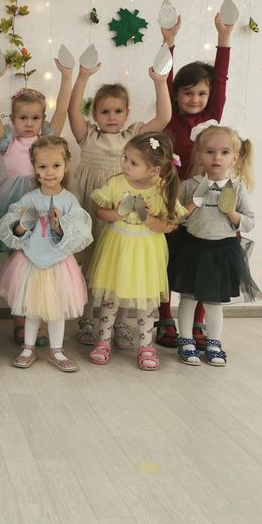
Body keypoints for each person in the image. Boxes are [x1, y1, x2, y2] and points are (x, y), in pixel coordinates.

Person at [68, 61, 171, 348]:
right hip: (94, 206)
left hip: (126, 214)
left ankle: (121, 323)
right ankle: (87, 320)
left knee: (122, 265)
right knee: (91, 263)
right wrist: (82, 77)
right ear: (95, 115)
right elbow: (72, 111)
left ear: (127, 113)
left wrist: (160, 82)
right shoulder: (88, 135)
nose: (111, 117)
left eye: (117, 111)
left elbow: (163, 117)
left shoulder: (134, 138)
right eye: (104, 111)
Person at [0, 58, 73, 346]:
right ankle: (21, 323)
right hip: (16, 209)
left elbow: (63, 111)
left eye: (35, 118)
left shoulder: (47, 141)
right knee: (20, 268)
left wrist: (67, 77)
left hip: (45, 205)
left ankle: (39, 324)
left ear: (43, 119)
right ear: (13, 119)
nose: (29, 123)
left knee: (45, 267)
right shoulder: (9, 142)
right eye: (22, 118)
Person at [155, 13, 235, 348]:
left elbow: (221, 81)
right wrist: (168, 41)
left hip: (206, 202)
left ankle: (199, 320)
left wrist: (224, 38)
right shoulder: (168, 119)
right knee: (166, 259)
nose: (195, 99)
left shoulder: (212, 118)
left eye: (201, 93)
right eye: (187, 93)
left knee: (205, 261)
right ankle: (164, 317)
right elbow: (165, 78)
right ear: (176, 96)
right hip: (172, 198)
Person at [86, 133, 185, 371]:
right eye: (125, 158)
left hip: (146, 251)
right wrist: (120, 212)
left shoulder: (162, 189)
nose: (125, 165)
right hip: (118, 246)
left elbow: (169, 226)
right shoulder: (117, 183)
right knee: (111, 295)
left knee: (146, 298)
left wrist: (146, 217)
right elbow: (100, 213)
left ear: (154, 170)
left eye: (133, 162)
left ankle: (146, 345)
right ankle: (103, 340)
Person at [0, 136, 92, 371]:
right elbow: (12, 230)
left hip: (58, 264)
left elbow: (79, 234)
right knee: (32, 309)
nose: (50, 172)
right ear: (35, 168)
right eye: (43, 166)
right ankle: (28, 347)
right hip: (31, 261)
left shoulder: (69, 200)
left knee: (56, 309)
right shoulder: (29, 199)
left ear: (65, 166)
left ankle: (56, 350)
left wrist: (59, 225)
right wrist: (23, 224)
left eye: (56, 165)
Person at [169, 125, 260, 366]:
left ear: (235, 157)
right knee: (188, 297)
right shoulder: (190, 185)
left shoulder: (236, 189)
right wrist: (192, 204)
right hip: (192, 248)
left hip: (221, 251)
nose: (216, 157)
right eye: (210, 151)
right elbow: (175, 218)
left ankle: (213, 341)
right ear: (200, 155)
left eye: (224, 152)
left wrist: (232, 213)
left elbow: (249, 221)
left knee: (214, 302)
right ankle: (185, 340)